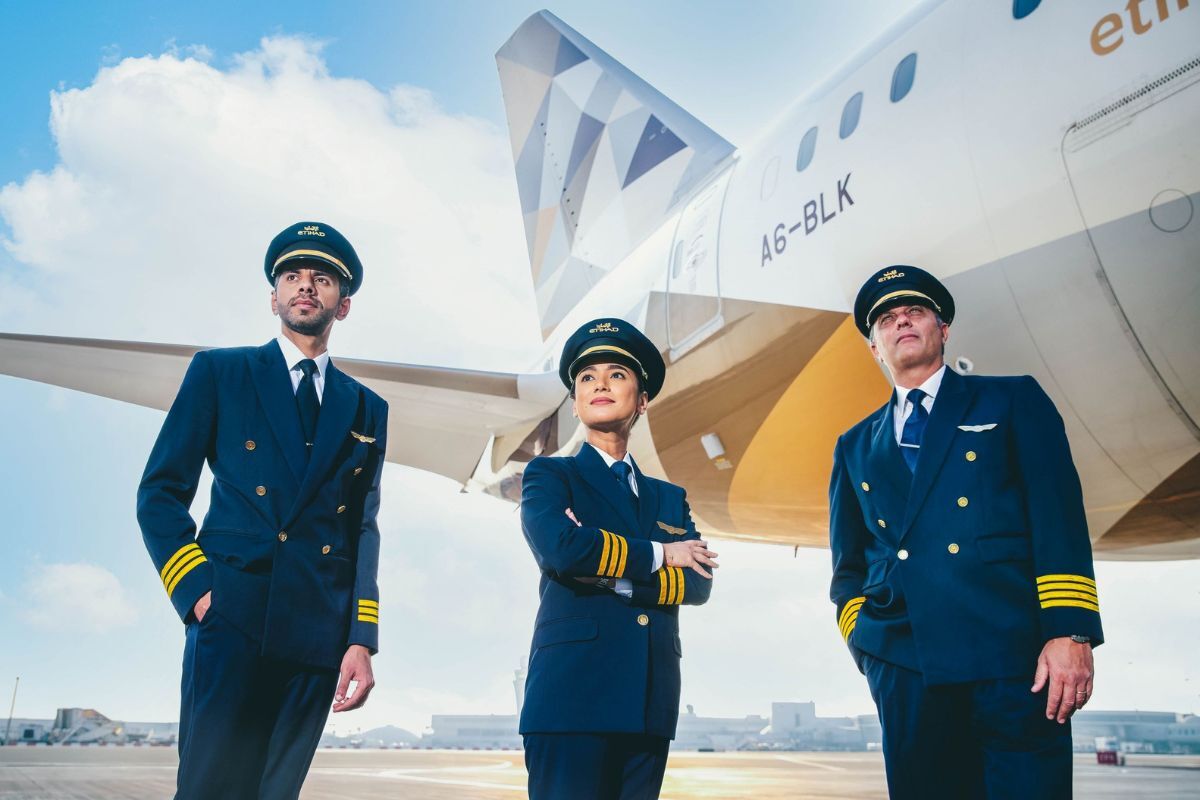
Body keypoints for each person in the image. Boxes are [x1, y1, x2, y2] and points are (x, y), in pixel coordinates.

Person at [828, 265, 1104, 799]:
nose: (902, 320)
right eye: (887, 318)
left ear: (943, 329)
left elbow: (1059, 519)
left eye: (916, 311)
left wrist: (1071, 631)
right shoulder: (854, 445)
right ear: (875, 347)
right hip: (907, 668)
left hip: (1012, 657)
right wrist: (868, 644)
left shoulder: (1012, 400)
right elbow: (850, 565)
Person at [136, 221, 388, 800]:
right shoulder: (221, 373)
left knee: (277, 794)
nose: (306, 287)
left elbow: (362, 529)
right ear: (274, 297)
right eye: (293, 277)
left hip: (317, 630)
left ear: (341, 305)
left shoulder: (367, 408)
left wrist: (361, 638)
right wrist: (198, 590)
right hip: (231, 615)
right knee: (207, 788)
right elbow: (160, 491)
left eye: (321, 279)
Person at [518, 318, 718, 800]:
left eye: (616, 374)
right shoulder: (549, 475)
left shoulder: (669, 498)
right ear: (575, 400)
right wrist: (660, 554)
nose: (600, 384)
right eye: (586, 378)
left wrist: (607, 569)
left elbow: (699, 584)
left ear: (643, 399)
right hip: (571, 700)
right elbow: (562, 550)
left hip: (648, 701)